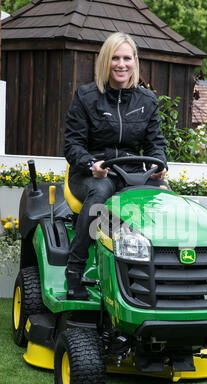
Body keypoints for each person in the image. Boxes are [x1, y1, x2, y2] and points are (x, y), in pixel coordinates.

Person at [64, 32, 168, 300]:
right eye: (115, 58)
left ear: (135, 62)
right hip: (94, 172)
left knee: (166, 196)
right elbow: (72, 145)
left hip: (132, 173)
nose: (121, 64)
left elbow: (156, 144)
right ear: (105, 62)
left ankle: (162, 272)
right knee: (100, 194)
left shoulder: (146, 101)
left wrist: (160, 164)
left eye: (126, 58)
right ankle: (74, 271)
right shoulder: (87, 96)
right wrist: (91, 164)